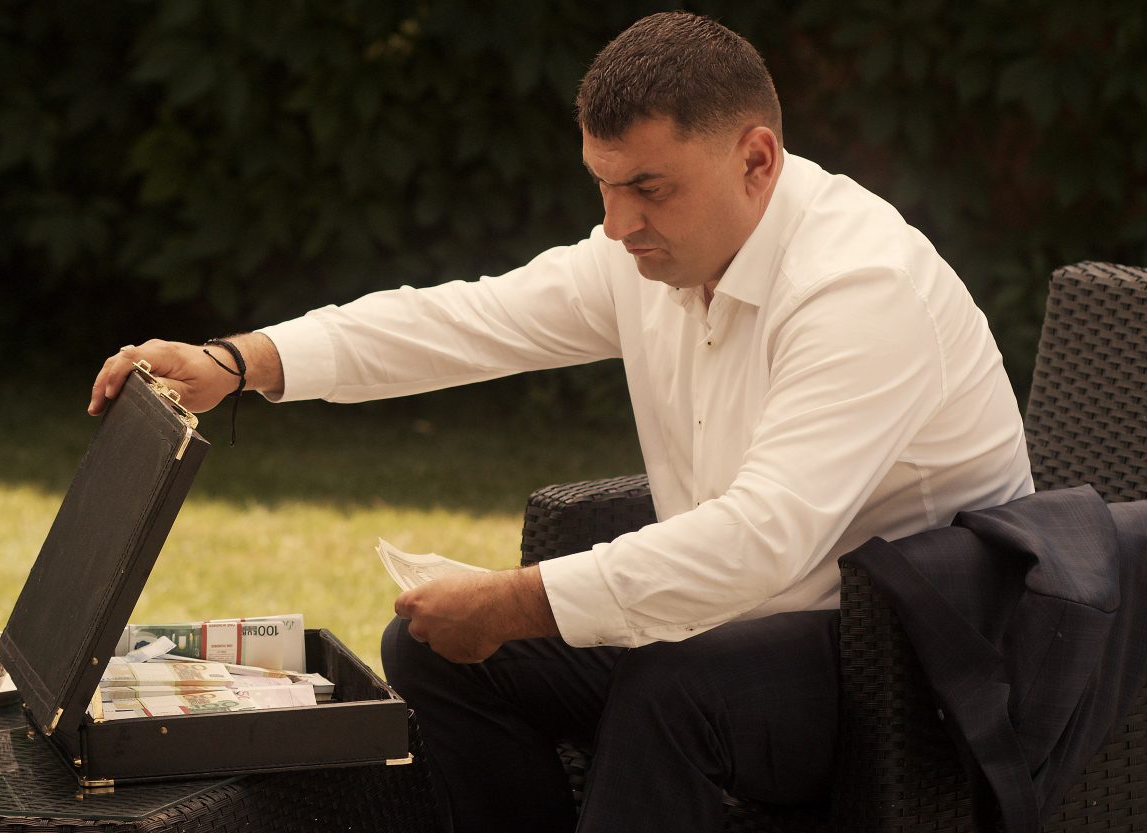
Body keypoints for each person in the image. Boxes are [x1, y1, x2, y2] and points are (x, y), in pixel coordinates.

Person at [87, 12, 1032, 832]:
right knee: (435, 651)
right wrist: (240, 360)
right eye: (603, 186)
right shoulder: (648, 252)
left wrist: (514, 599)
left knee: (671, 688)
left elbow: (760, 540)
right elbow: (467, 319)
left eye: (649, 188)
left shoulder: (859, 287)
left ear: (756, 159)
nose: (618, 225)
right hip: (731, 621)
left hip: (914, 672)